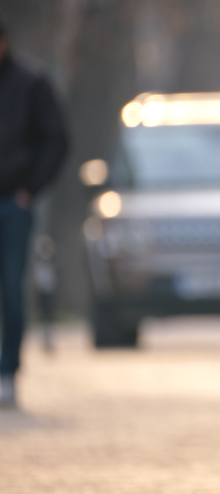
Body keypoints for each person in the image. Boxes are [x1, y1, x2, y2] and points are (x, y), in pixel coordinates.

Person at [0, 17, 69, 408]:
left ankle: (7, 369)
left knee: (11, 285)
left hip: (14, 202)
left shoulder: (31, 83)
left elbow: (57, 139)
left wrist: (32, 189)